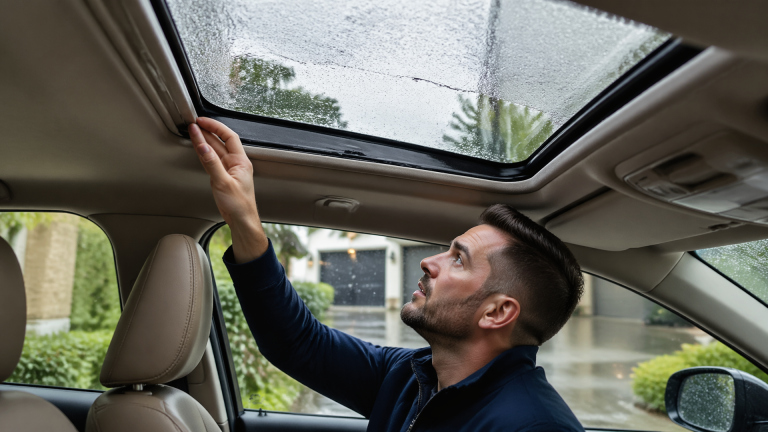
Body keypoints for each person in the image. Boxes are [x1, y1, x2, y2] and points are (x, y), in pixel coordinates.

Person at [191, 117, 585, 431]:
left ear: (497, 312)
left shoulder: (534, 425)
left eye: (458, 259)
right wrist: (243, 218)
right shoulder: (409, 376)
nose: (429, 262)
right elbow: (297, 343)